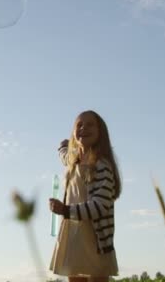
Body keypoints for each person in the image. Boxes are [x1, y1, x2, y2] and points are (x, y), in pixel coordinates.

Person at [48, 110, 122, 282]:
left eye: (90, 124)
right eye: (79, 125)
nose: (83, 128)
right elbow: (65, 156)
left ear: (101, 132)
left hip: (95, 238)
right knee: (74, 277)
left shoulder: (101, 165)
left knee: (97, 277)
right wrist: (63, 146)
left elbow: (100, 205)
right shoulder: (73, 161)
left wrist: (65, 210)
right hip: (74, 235)